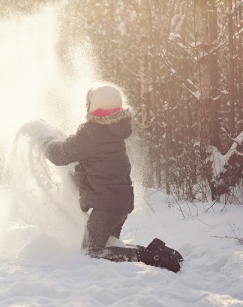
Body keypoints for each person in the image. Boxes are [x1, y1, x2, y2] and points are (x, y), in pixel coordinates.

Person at [43, 85, 183, 273]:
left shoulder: (92, 133)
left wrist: (45, 143)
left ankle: (149, 256)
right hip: (119, 202)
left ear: (96, 105)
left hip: (106, 205)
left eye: (90, 102)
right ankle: (156, 250)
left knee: (92, 252)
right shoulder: (114, 130)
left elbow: (61, 155)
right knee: (111, 246)